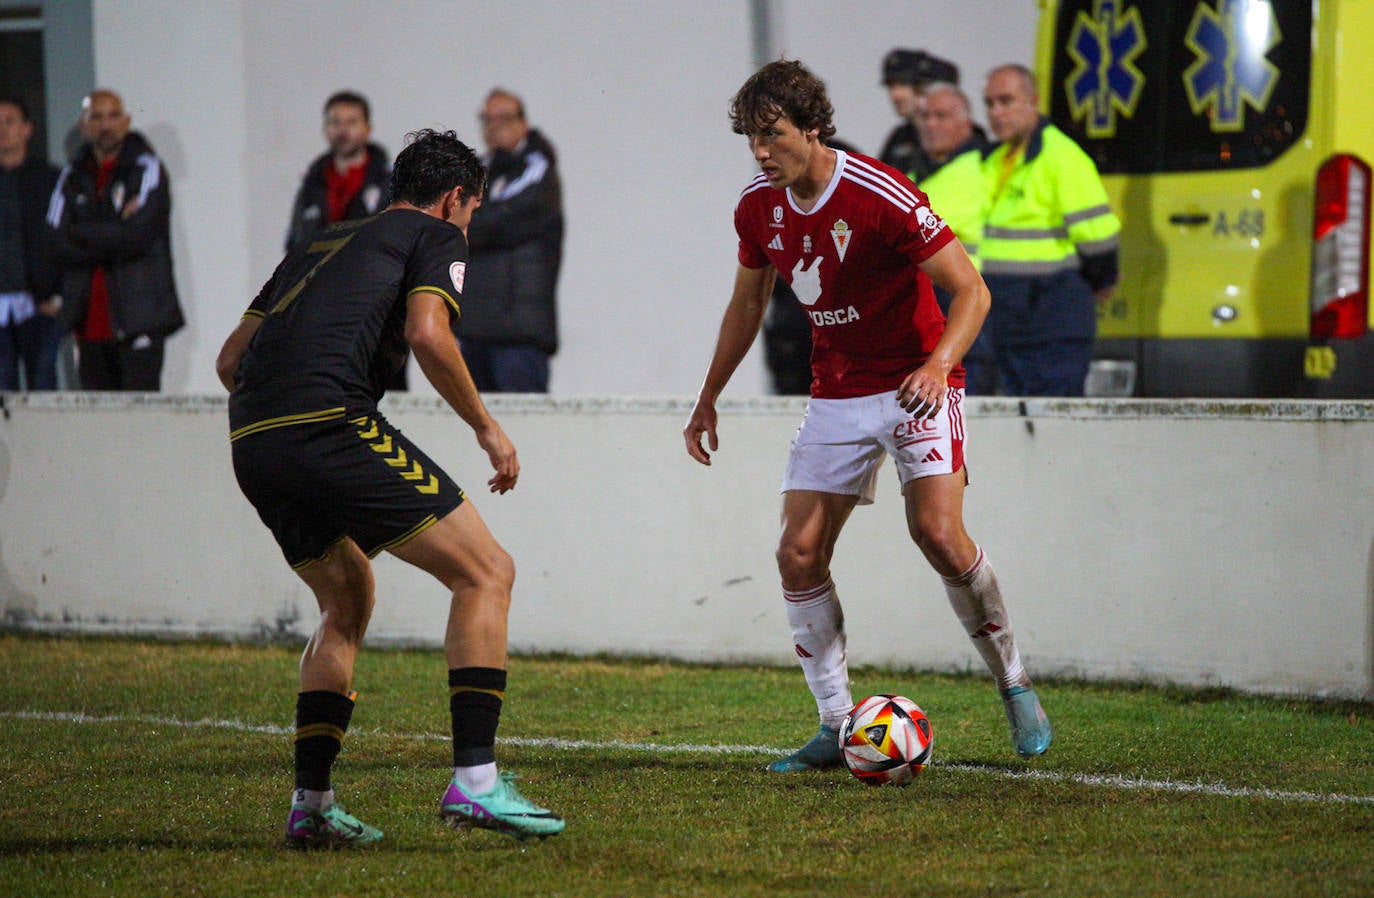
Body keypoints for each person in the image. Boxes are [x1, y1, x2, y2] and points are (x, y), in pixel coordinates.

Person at [683, 60, 1052, 772]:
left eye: (773, 134)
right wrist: (708, 396)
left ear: (812, 128)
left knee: (938, 535)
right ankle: (833, 723)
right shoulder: (758, 208)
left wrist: (938, 365)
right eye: (751, 139)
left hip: (916, 380)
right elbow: (747, 306)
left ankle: (1013, 682)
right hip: (838, 391)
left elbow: (971, 291)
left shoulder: (878, 191)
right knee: (796, 553)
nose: (761, 152)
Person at [216, 129, 564, 848]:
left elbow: (230, 359)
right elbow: (431, 334)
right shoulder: (434, 234)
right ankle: (475, 784)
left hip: (253, 438)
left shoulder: (316, 244)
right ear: (453, 198)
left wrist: (282, 419)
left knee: (346, 597)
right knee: (487, 572)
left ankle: (311, 805)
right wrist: (487, 429)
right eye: (470, 212)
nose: (467, 227)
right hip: (329, 425)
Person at [980, 64, 1120, 396]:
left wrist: (1100, 282)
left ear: (1033, 102)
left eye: (1006, 101)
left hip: (1051, 317)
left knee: (1054, 424)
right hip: (1009, 319)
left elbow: (1098, 240)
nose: (996, 112)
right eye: (989, 103)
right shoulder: (996, 160)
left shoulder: (1061, 157)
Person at [46, 89, 183, 391]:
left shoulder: (147, 169)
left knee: (140, 421)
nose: (105, 125)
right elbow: (56, 239)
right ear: (83, 124)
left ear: (126, 121)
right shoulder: (71, 176)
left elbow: (139, 236)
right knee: (97, 426)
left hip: (139, 318)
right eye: (96, 116)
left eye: (113, 115)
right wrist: (116, 226)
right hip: (87, 324)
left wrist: (81, 230)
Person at [456, 89, 563, 392]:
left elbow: (499, 219)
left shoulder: (537, 169)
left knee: (523, 430)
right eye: (487, 119)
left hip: (519, 335)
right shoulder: (477, 173)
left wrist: (465, 224)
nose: (494, 126)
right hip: (474, 330)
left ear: (523, 123)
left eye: (503, 118)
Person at [913, 82, 997, 394]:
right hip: (931, 299)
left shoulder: (980, 168)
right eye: (925, 116)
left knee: (965, 397)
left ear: (966, 123)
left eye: (941, 116)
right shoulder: (919, 171)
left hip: (965, 297)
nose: (930, 124)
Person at [0, 95, 61, 390]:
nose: (2, 129)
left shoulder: (51, 180)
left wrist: (57, 295)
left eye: (9, 121)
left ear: (27, 128)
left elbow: (64, 240)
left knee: (43, 388)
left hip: (40, 305)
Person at [285, 91, 392, 254]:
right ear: (325, 129)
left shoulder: (388, 184)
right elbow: (296, 241)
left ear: (367, 128)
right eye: (335, 122)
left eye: (351, 122)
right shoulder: (312, 184)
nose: (343, 130)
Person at [877, 48, 959, 183]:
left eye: (904, 84)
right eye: (891, 86)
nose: (895, 95)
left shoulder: (960, 134)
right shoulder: (900, 136)